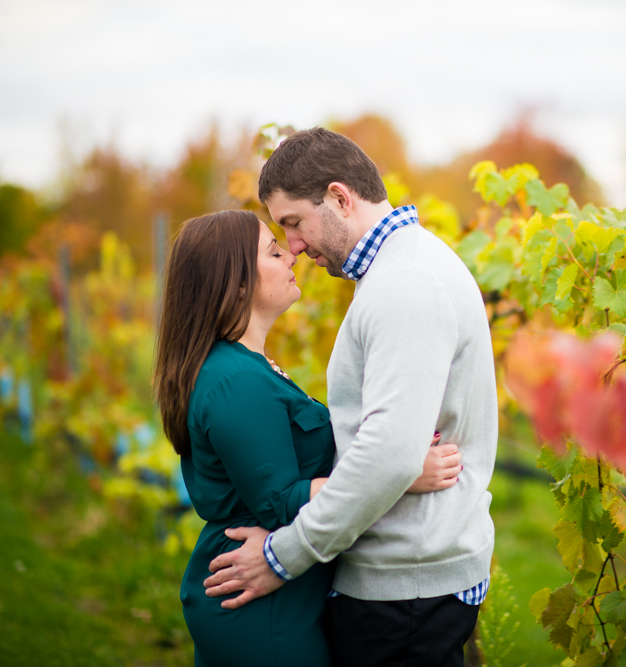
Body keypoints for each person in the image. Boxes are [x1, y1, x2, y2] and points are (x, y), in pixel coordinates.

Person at [202, 128, 498, 667]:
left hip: (403, 591)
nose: (291, 244)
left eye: (293, 223)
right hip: (404, 580)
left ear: (340, 198)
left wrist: (282, 557)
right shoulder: (398, 270)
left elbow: (387, 454)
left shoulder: (404, 284)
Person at [153, 209, 463, 667]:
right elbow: (280, 500)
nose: (292, 255)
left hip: (279, 599)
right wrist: (399, 472)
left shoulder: (247, 367)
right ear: (235, 283)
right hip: (263, 615)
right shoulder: (235, 381)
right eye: (274, 251)